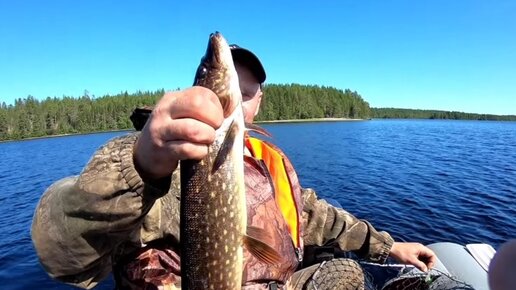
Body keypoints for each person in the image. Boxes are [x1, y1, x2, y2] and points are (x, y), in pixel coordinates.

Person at [31, 43, 436, 290]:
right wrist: (144, 165)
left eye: (247, 91)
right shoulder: (150, 158)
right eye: (225, 86)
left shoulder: (267, 161)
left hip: (279, 282)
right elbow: (63, 256)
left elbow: (314, 215)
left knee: (345, 274)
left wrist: (389, 246)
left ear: (258, 103)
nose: (236, 97)